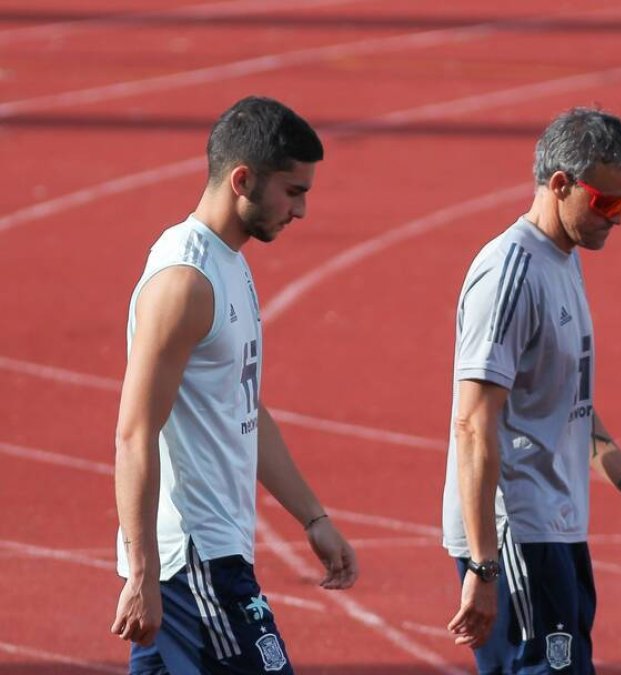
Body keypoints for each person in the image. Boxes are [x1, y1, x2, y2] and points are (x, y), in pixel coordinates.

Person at [441, 107, 621, 674]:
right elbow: (473, 424)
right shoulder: (510, 274)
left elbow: (567, 404)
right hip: (516, 532)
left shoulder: (561, 259)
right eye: (607, 203)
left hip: (555, 525)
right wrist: (483, 568)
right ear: (560, 184)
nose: (618, 219)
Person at [111, 96, 358, 674]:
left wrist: (313, 518)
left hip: (208, 556)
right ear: (242, 180)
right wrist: (143, 572)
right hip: (195, 561)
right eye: (293, 192)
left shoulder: (229, 262)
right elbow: (134, 434)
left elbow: (243, 407)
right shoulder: (185, 283)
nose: (301, 211)